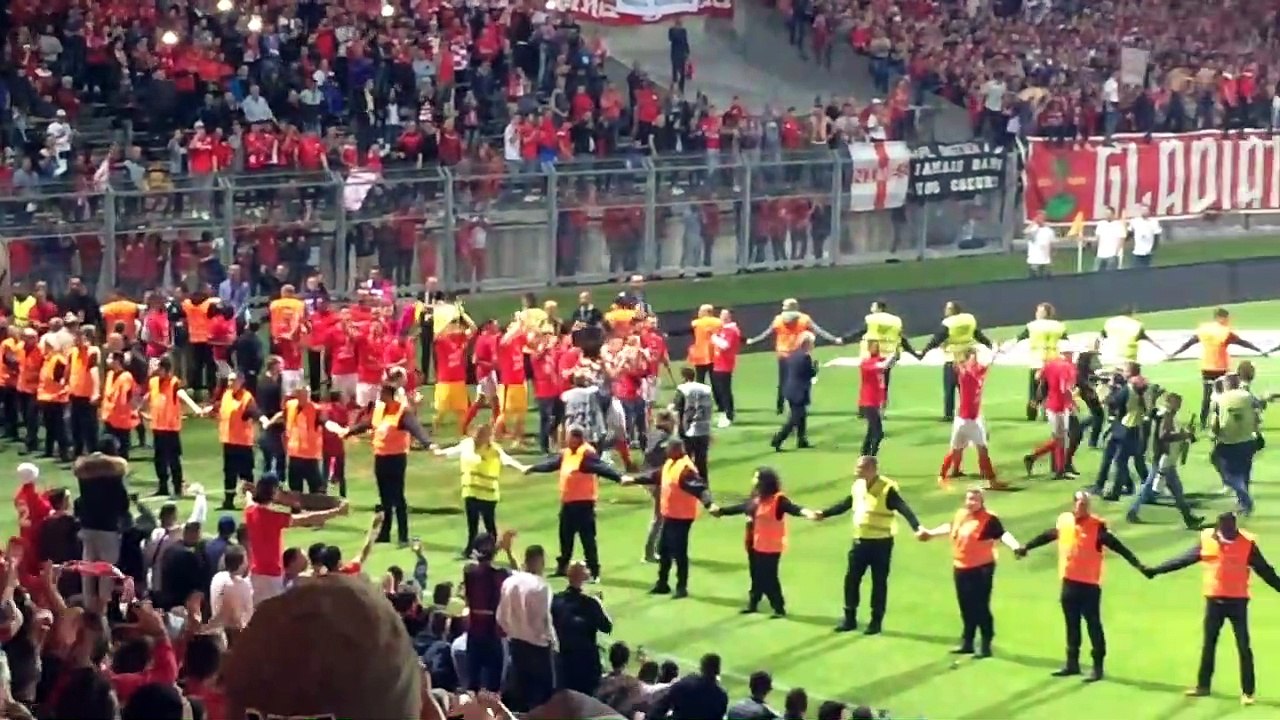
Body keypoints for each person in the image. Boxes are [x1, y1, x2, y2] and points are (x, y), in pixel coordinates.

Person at [1145, 512, 1280, 705]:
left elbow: (1266, 571)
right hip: (1214, 599)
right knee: (1209, 644)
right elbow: (1183, 559)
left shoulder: (1247, 544)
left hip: (1238, 601)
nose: (1229, 536)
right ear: (1218, 529)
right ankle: (1203, 686)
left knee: (1243, 646)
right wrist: (1157, 569)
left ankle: (1248, 692)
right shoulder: (1207, 540)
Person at [1014, 491, 1148, 681]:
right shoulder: (1065, 522)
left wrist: (1138, 564)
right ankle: (1072, 663)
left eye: (1086, 504)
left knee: (1093, 624)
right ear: (1073, 505)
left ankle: (1098, 667)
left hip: (1089, 585)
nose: (1082, 507)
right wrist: (1026, 547)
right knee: (1072, 624)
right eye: (1080, 503)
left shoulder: (1097, 527)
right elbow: (1048, 535)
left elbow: (1118, 546)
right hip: (1069, 581)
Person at [814, 455, 925, 635]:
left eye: (861, 468)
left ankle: (876, 622)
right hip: (860, 541)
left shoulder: (887, 489)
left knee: (879, 582)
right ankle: (849, 618)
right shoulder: (858, 486)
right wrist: (824, 514)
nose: (856, 471)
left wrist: (917, 528)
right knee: (851, 580)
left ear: (872, 469)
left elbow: (904, 509)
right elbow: (847, 503)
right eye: (857, 467)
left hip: (881, 543)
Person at [918, 487, 1023, 657]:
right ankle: (967, 642)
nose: (970, 502)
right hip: (961, 566)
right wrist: (931, 533)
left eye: (974, 499)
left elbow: (1002, 535)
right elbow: (950, 527)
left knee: (981, 606)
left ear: (982, 502)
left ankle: (986, 643)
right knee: (965, 606)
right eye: (968, 499)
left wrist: (1016, 546)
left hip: (982, 568)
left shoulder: (989, 519)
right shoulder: (961, 515)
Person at [524, 426, 626, 579]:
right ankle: (563, 567)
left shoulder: (586, 454)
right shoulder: (567, 453)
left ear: (578, 438)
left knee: (587, 539)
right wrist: (533, 468)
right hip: (568, 502)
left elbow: (602, 468)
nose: (566, 439)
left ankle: (594, 571)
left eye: (569, 436)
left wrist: (619, 477)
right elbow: (552, 464)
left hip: (584, 504)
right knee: (565, 537)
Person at [713, 468, 817, 617]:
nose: (753, 481)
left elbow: (794, 509)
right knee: (756, 575)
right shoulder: (756, 498)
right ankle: (753, 603)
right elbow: (741, 508)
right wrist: (722, 511)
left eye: (756, 478)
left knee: (769, 578)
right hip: (756, 544)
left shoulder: (778, 500)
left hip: (772, 546)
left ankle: (779, 607)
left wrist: (808, 513)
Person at [340, 383, 433, 545]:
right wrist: (350, 431)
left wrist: (427, 443)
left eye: (382, 393)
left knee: (398, 497)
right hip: (380, 457)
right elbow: (367, 424)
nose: (379, 396)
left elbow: (416, 428)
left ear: (389, 395)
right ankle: (385, 533)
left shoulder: (402, 412)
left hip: (396, 458)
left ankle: (403, 536)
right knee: (384, 498)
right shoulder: (379, 410)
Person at [626, 438, 717, 598]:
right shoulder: (670, 464)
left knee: (679, 552)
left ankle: (682, 587)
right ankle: (662, 584)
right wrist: (633, 479)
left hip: (682, 517)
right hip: (670, 514)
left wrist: (710, 505)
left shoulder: (685, 469)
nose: (665, 451)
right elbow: (654, 476)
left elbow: (701, 488)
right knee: (664, 549)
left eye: (668, 449)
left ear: (676, 450)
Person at [242, 474, 348, 604]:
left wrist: (249, 491)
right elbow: (308, 518)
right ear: (273, 492)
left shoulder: (250, 511)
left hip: (255, 574)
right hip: (272, 577)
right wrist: (336, 511)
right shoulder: (274, 518)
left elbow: (249, 500)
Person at [434, 423, 530, 557]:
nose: (477, 437)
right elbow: (453, 451)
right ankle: (470, 549)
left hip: (488, 494)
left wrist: (522, 467)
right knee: (472, 524)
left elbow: (507, 460)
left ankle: (491, 549)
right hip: (470, 491)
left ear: (488, 436)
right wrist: (439, 453)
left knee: (489, 524)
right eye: (477, 434)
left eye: (481, 435)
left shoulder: (494, 450)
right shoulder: (467, 444)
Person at [1167, 308, 1266, 428]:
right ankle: (1222, 421)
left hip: (1206, 367)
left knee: (1207, 396)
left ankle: (1203, 422)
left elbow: (1189, 343)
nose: (1228, 321)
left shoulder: (1204, 330)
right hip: (1220, 368)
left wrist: (1175, 353)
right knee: (1224, 396)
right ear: (1221, 317)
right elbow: (1242, 342)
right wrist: (1259, 350)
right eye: (1227, 318)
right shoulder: (1224, 332)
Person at [745, 298, 841, 414]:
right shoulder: (804, 319)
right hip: (798, 354)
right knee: (800, 380)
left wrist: (752, 340)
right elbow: (819, 330)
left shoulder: (778, 319)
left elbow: (766, 333)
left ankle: (779, 406)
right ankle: (798, 404)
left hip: (783, 353)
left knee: (783, 381)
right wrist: (834, 339)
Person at [1126, 391, 1204, 528]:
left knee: (1176, 491)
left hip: (1164, 458)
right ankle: (1132, 511)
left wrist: (1184, 434)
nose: (1179, 406)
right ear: (1170, 402)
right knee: (1151, 488)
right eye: (1177, 403)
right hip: (1164, 458)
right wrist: (1184, 435)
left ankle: (1189, 518)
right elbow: (1164, 436)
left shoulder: (1163, 414)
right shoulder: (1167, 416)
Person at [497, 544, 558, 712]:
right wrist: (552, 641)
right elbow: (544, 620)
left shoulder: (510, 582)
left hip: (515, 644)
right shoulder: (542, 586)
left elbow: (500, 617)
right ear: (538, 561)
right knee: (542, 699)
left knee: (519, 694)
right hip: (538, 649)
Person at [914, 301, 994, 420]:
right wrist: (989, 344)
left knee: (949, 389)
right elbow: (977, 334)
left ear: (952, 310)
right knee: (965, 388)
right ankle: (967, 411)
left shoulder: (949, 323)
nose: (945, 310)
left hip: (952, 359)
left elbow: (937, 339)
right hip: (968, 359)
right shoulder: (969, 319)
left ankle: (948, 414)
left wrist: (924, 351)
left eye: (947, 308)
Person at [73, 437, 130, 604]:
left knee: (88, 566)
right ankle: (103, 606)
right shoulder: (114, 472)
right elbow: (122, 501)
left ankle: (88, 603)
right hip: (107, 526)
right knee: (107, 568)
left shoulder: (85, 471)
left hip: (87, 524)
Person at [940, 347, 1003, 489]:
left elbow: (987, 365)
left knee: (981, 449)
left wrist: (995, 353)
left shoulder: (978, 370)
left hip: (973, 418)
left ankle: (991, 480)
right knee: (956, 449)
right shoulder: (964, 373)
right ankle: (942, 475)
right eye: (973, 357)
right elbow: (958, 366)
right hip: (964, 419)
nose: (975, 360)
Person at [143, 357, 206, 496]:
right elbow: (149, 397)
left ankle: (177, 487)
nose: (157, 371)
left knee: (173, 460)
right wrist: (140, 408)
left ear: (166, 369)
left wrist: (196, 408)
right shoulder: (153, 382)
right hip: (158, 427)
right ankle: (163, 486)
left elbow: (182, 395)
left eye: (159, 368)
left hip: (170, 429)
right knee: (159, 460)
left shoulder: (174, 383)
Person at [552, 561, 614, 697]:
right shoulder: (591, 603)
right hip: (587, 664)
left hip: (565, 661)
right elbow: (607, 627)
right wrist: (600, 603)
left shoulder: (555, 600)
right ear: (585, 576)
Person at [842, 300, 918, 406]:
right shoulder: (895, 320)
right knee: (884, 382)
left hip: (872, 354)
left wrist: (844, 340)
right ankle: (882, 405)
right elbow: (901, 338)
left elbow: (860, 331)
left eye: (873, 306)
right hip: (888, 354)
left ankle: (866, 406)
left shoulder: (871, 319)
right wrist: (914, 353)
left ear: (879, 308)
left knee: (868, 382)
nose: (871, 308)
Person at [1024, 349, 1077, 479]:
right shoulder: (1068, 367)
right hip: (1059, 406)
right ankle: (1036, 458)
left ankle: (1059, 469)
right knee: (1060, 439)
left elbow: (1039, 379)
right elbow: (1066, 388)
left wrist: (1037, 400)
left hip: (1052, 405)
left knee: (1060, 438)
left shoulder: (1051, 364)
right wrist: (1072, 403)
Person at [1212, 374, 1260, 516]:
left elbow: (1214, 423)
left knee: (1226, 473)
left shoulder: (1219, 399)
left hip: (1228, 441)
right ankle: (1244, 503)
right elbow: (1257, 414)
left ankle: (1242, 494)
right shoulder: (1248, 396)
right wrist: (1256, 432)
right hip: (1247, 440)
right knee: (1244, 471)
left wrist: (1215, 434)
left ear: (1226, 384)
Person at [1015, 302, 1068, 421]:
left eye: (1038, 311)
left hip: (1037, 361)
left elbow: (1019, 338)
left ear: (1044, 313)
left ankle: (1032, 415)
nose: (1036, 313)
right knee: (1051, 389)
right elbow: (1066, 342)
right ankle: (1049, 412)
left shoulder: (1033, 326)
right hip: (1054, 362)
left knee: (1034, 391)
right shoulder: (1058, 326)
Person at [215, 371, 260, 510]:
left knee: (246, 473)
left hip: (243, 442)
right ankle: (228, 501)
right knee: (229, 472)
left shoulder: (247, 398)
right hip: (228, 440)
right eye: (229, 380)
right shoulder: (226, 395)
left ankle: (251, 500)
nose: (230, 383)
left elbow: (254, 413)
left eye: (233, 380)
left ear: (241, 381)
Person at [771, 332, 818, 451]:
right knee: (795, 418)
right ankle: (778, 439)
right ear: (807, 344)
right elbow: (809, 373)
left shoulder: (793, 355)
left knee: (801, 416)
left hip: (790, 389)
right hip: (799, 391)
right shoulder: (805, 357)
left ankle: (802, 440)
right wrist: (815, 368)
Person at [647, 653, 729, 720]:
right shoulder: (722, 696)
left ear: (701, 668)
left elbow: (658, 709)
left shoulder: (684, 685)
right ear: (718, 671)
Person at [672, 366, 713, 481]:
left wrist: (677, 431)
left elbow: (677, 410)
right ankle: (704, 488)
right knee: (702, 462)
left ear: (684, 377)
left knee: (686, 461)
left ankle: (688, 487)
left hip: (687, 430)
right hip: (704, 429)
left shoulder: (683, 389)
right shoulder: (706, 389)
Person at [857, 340, 896, 457]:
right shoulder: (866, 363)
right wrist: (893, 355)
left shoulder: (879, 360)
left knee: (871, 432)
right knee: (878, 433)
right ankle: (871, 457)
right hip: (868, 402)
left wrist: (883, 398)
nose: (877, 349)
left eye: (877, 347)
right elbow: (883, 366)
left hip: (875, 402)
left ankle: (864, 457)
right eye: (874, 347)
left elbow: (882, 379)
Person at [709, 309, 741, 428]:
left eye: (724, 316)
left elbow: (725, 345)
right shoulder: (724, 330)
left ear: (728, 317)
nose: (721, 318)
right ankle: (725, 414)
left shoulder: (732, 330)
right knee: (721, 391)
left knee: (725, 391)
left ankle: (728, 415)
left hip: (725, 364)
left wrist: (714, 338)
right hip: (719, 363)